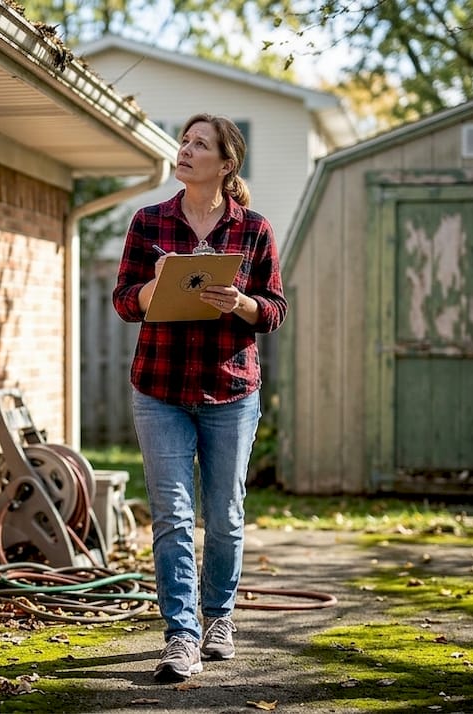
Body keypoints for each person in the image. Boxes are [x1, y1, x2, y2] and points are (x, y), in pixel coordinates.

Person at [111, 114, 286, 683]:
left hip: (230, 390)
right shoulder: (149, 222)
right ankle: (181, 635)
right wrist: (154, 287)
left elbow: (275, 311)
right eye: (184, 142)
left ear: (225, 163)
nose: (185, 150)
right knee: (172, 516)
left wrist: (239, 302)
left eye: (198, 144)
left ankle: (219, 619)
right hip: (159, 388)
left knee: (226, 517)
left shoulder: (254, 229)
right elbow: (122, 300)